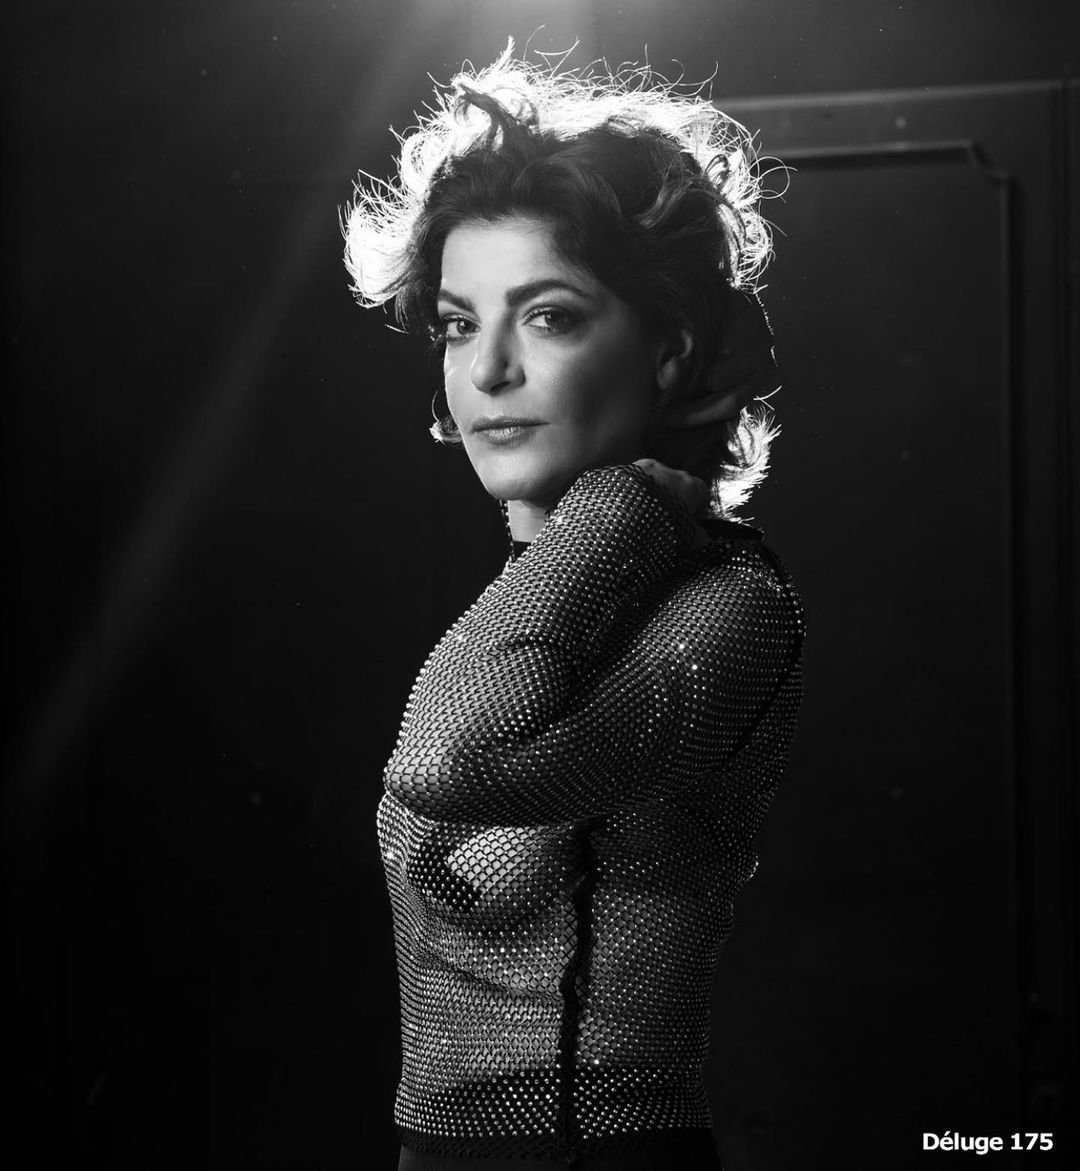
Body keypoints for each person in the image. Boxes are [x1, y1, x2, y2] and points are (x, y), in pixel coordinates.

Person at [342, 42, 806, 1171]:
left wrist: (628, 498)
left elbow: (447, 762)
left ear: (671, 349)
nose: (487, 370)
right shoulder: (536, 605)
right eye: (459, 323)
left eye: (547, 316)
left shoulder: (730, 607)